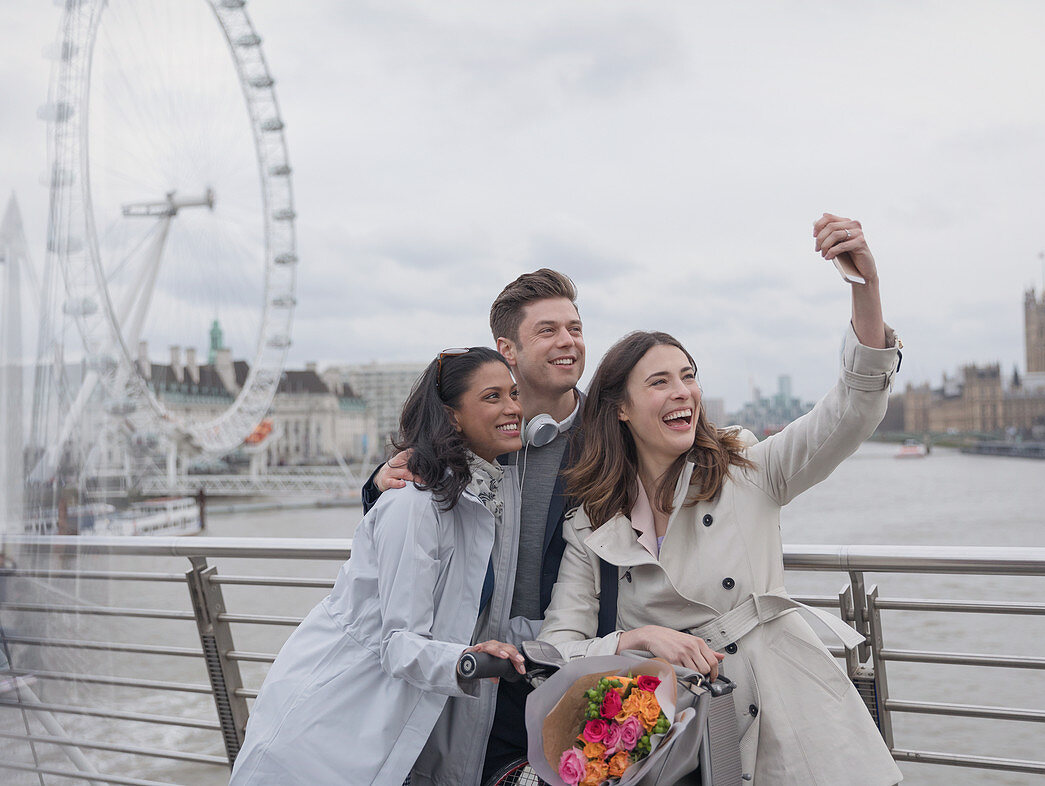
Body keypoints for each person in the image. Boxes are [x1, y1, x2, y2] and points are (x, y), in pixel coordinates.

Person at [538, 214, 905, 784]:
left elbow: (851, 412)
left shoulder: (747, 467)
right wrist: (635, 639)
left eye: (688, 376)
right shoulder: (592, 522)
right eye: (659, 382)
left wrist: (866, 287)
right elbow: (558, 646)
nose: (683, 392)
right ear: (621, 407)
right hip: (683, 735)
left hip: (790, 708)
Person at [230, 347, 533, 786]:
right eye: (492, 397)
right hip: (330, 718)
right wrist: (468, 660)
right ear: (452, 417)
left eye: (514, 393)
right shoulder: (413, 504)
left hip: (377, 721)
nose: (513, 408)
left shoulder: (471, 503)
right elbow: (400, 643)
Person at [364, 269, 601, 781]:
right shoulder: (479, 435)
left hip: (563, 663)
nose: (568, 342)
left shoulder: (610, 433)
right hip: (471, 666)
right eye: (547, 330)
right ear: (507, 348)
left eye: (575, 328)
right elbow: (415, 519)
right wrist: (380, 483)